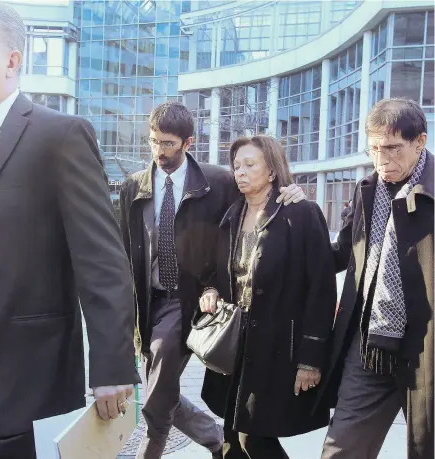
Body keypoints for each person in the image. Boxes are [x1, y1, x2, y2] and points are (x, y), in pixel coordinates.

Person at [0, 2, 140, 458]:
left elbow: (102, 261)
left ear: (12, 60)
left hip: (22, 380)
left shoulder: (59, 136)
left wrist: (112, 366)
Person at [119, 103, 305, 459]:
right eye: (154, 142)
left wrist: (290, 193)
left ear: (188, 142)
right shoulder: (133, 187)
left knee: (157, 398)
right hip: (146, 302)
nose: (160, 151)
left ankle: (150, 452)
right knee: (160, 388)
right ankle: (219, 443)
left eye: (169, 143)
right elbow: (124, 252)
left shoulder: (218, 181)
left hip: (188, 298)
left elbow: (260, 201)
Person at [196, 135, 337, 459]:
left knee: (253, 440)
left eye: (250, 164)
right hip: (232, 349)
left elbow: (321, 289)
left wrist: (311, 358)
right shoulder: (231, 215)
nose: (240, 172)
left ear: (272, 171)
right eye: (236, 166)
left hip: (277, 351)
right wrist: (210, 292)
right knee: (231, 438)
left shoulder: (300, 214)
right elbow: (213, 273)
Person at [319, 98, 434, 459]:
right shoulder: (367, 189)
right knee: (340, 451)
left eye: (393, 149)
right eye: (375, 150)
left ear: (421, 141)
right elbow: (341, 251)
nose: (383, 161)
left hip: (426, 352)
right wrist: (293, 226)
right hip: (369, 345)